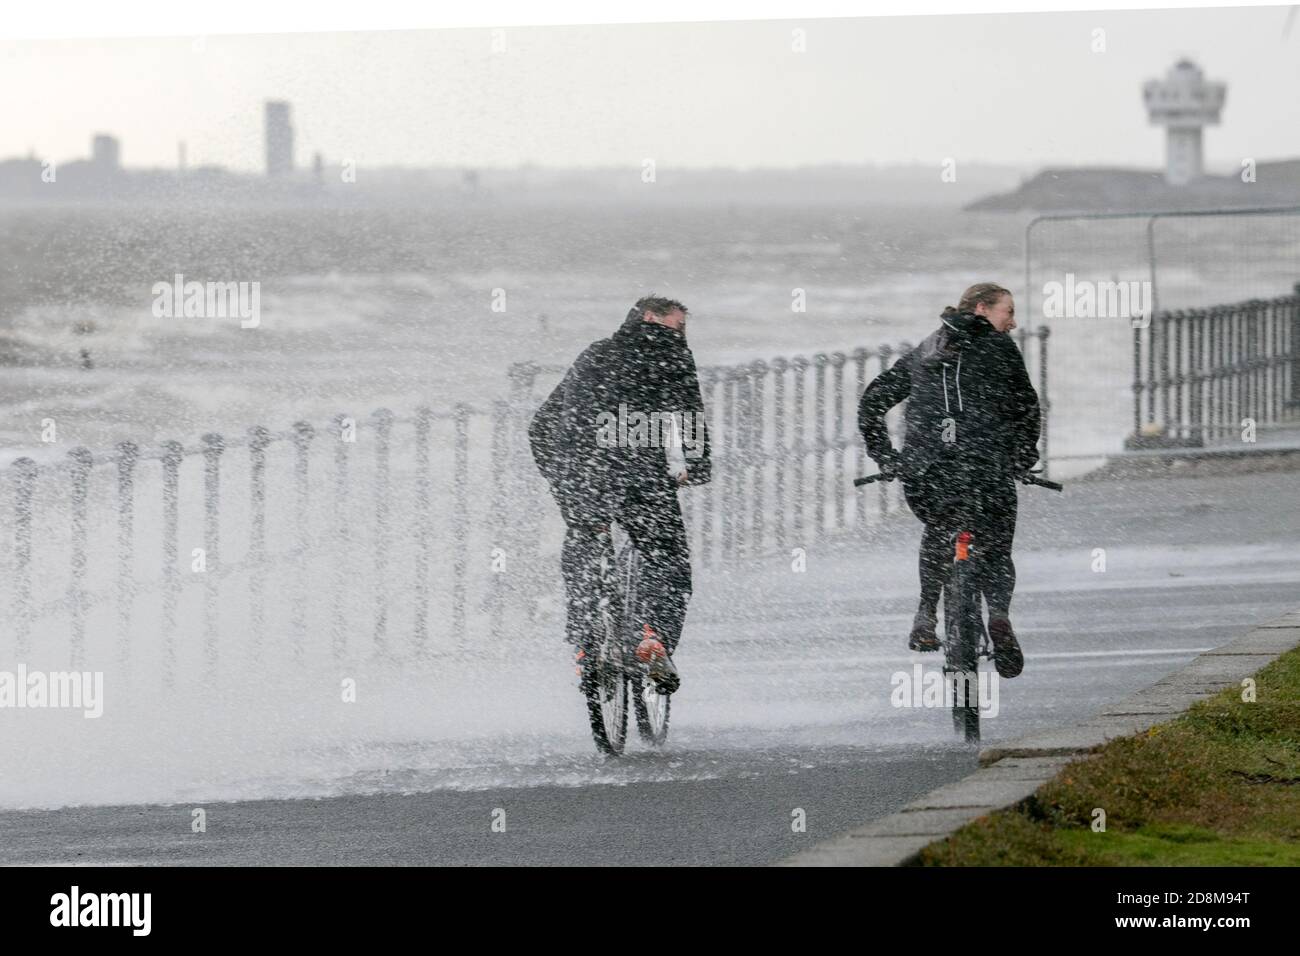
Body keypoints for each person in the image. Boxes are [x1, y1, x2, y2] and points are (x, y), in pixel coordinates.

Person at [857, 283, 1041, 678]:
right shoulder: (1000, 348)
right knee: (996, 542)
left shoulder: (925, 348)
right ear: (982, 309)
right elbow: (1027, 407)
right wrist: (1023, 458)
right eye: (1008, 311)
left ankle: (925, 615)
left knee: (940, 527)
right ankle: (999, 614)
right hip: (986, 471)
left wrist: (886, 457)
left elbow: (872, 401)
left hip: (927, 474)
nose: (1013, 321)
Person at [529, 295, 711, 692]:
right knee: (666, 557)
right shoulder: (675, 358)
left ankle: (585, 643)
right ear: (651, 317)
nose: (682, 334)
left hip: (583, 475)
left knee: (583, 547)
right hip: (640, 477)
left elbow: (542, 424)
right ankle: (653, 637)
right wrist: (697, 468)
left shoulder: (595, 353)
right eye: (678, 325)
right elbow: (690, 416)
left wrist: (560, 477)